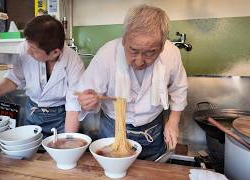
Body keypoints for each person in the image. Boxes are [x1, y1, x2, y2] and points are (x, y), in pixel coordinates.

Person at [73, 4, 188, 160]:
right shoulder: (107, 55)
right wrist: (88, 101)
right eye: (133, 50)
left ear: (161, 47)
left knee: (150, 173)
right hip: (112, 131)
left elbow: (178, 89)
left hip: (152, 131)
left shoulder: (171, 54)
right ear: (124, 40)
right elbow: (85, 95)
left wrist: (173, 121)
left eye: (150, 53)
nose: (139, 61)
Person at [0, 15, 84, 137]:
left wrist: (68, 141)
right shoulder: (26, 47)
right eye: (28, 45)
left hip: (61, 119)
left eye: (33, 50)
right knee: (30, 154)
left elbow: (73, 110)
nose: (28, 51)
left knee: (59, 152)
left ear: (55, 52)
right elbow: (14, 78)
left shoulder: (74, 63)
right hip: (32, 114)